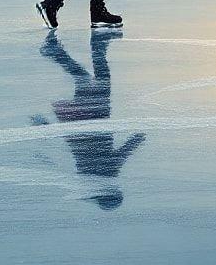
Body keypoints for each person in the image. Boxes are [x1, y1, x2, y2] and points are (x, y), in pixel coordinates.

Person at [31, 31, 146, 210]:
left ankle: (94, 48)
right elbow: (74, 149)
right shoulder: (87, 176)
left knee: (97, 79)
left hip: (95, 116)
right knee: (85, 79)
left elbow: (122, 154)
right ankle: (61, 52)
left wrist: (138, 138)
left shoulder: (107, 173)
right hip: (83, 121)